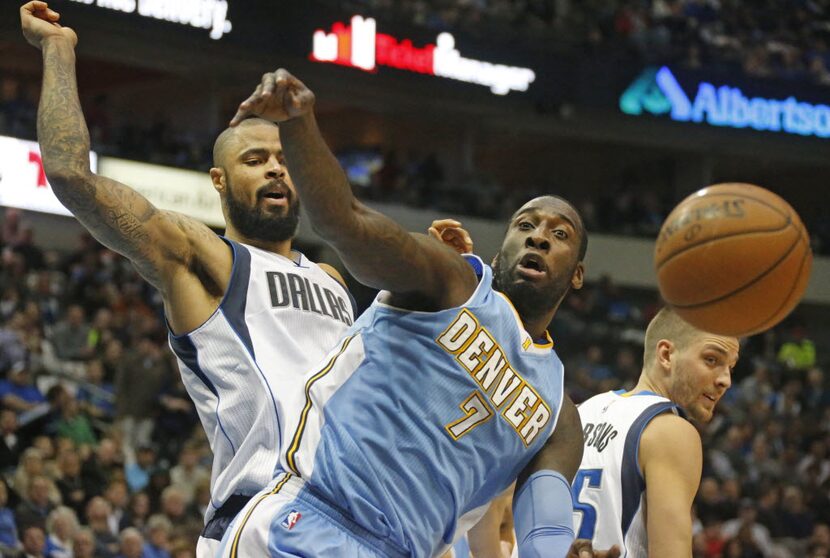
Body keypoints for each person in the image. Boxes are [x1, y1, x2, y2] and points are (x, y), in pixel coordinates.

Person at [18, 3, 470, 556]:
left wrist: (435, 272)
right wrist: (57, 50)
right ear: (219, 180)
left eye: (283, 160)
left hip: (350, 524)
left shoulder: (330, 277)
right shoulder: (203, 258)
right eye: (255, 159)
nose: (277, 169)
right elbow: (69, 175)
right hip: (262, 516)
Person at [217, 68, 587, 557]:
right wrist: (299, 124)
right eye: (525, 225)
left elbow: (543, 536)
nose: (539, 236)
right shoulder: (452, 281)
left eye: (559, 235)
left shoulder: (560, 413)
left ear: (577, 275)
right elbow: (344, 222)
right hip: (312, 518)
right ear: (500, 250)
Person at [571, 308, 739, 557]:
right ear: (666, 354)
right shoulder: (671, 430)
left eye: (731, 367)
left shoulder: (579, 412)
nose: (726, 380)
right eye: (712, 360)